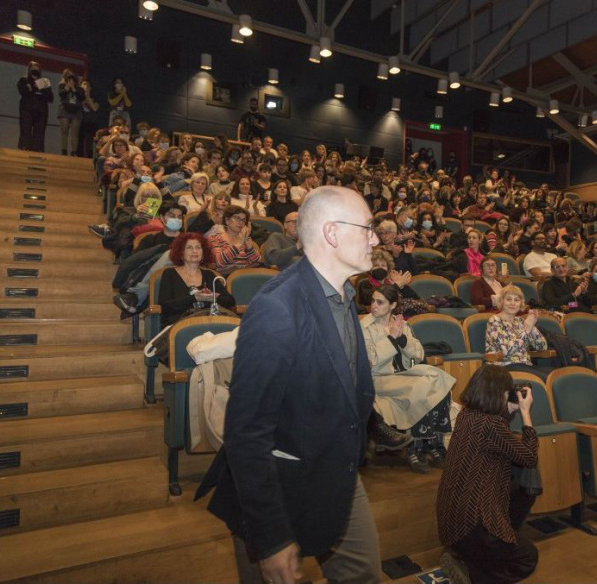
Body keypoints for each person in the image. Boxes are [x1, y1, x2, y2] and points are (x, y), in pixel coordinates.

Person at [199, 186, 383, 584]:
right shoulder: (277, 308)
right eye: (368, 228)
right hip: (278, 486)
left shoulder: (345, 294)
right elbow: (247, 432)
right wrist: (270, 538)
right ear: (332, 233)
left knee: (364, 574)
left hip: (339, 470)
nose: (376, 238)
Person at [437, 365, 538, 584]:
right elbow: (529, 457)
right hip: (472, 525)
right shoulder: (491, 425)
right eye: (507, 391)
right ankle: (474, 575)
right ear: (498, 393)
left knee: (521, 490)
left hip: (451, 523)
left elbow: (498, 440)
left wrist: (508, 411)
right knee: (527, 557)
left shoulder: (467, 416)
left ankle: (469, 560)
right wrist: (526, 413)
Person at [362, 285, 455, 473]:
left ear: (392, 305)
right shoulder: (365, 326)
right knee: (423, 385)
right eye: (372, 300)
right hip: (380, 379)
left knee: (441, 380)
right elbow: (369, 361)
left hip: (403, 374)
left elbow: (418, 354)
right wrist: (391, 339)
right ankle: (416, 449)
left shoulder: (401, 324)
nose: (374, 305)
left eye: (380, 302)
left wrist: (402, 339)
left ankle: (435, 445)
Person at [157, 233, 235, 327]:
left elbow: (230, 301)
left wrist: (213, 298)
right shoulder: (169, 274)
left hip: (208, 323)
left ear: (203, 254)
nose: (194, 251)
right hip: (179, 326)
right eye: (189, 247)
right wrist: (194, 299)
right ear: (181, 253)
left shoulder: (209, 275)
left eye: (198, 247)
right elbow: (165, 306)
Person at [485, 286, 549, 379]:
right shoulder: (495, 320)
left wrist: (532, 325)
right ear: (502, 301)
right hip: (504, 366)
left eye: (516, 300)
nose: (513, 303)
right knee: (546, 378)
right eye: (508, 299)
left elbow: (542, 347)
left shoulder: (521, 321)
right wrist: (526, 330)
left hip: (525, 366)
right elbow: (506, 352)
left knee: (556, 375)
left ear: (521, 303)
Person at [208, 206, 262, 275]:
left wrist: (249, 248)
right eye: (237, 218)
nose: (241, 222)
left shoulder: (247, 239)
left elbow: (259, 261)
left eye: (243, 220)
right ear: (227, 220)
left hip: (247, 276)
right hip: (227, 278)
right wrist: (239, 243)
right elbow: (219, 262)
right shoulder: (214, 239)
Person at [17, 61, 53, 152]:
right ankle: (25, 148)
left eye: (37, 69)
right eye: (33, 69)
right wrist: (31, 86)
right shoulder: (24, 80)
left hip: (41, 111)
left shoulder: (45, 82)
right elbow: (22, 91)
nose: (35, 71)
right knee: (26, 129)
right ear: (29, 70)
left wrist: (39, 87)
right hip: (27, 109)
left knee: (39, 132)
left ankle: (37, 150)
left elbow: (50, 97)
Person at [57, 69, 85, 156]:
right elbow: (61, 95)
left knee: (74, 132)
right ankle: (64, 150)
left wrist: (74, 89)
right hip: (65, 109)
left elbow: (82, 98)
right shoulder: (62, 85)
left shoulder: (80, 89)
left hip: (76, 111)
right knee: (64, 131)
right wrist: (67, 87)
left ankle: (74, 151)